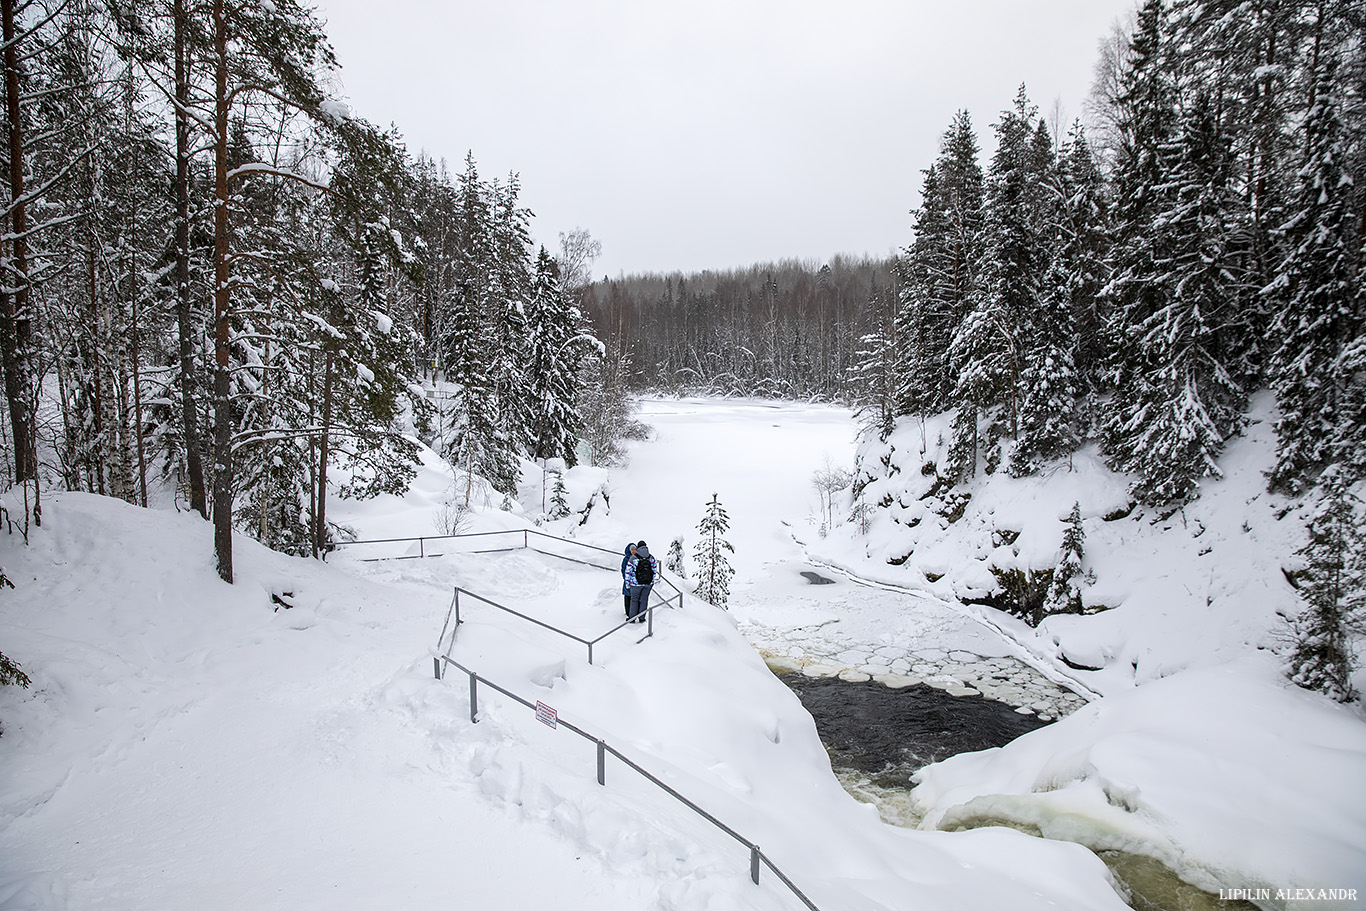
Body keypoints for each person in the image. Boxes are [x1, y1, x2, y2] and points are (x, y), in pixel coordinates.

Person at [625, 540, 658, 623]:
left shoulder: (633, 558)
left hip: (635, 583)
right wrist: (652, 581)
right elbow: (654, 570)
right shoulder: (651, 557)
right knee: (644, 599)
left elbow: (628, 571)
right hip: (648, 583)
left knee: (634, 600)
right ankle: (642, 618)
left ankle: (632, 618)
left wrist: (627, 583)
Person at [620, 542, 637, 620]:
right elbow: (623, 569)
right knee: (628, 597)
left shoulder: (637, 558)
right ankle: (628, 612)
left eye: (635, 549)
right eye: (632, 550)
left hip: (636, 581)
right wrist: (627, 578)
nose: (633, 551)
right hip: (628, 581)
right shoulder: (626, 559)